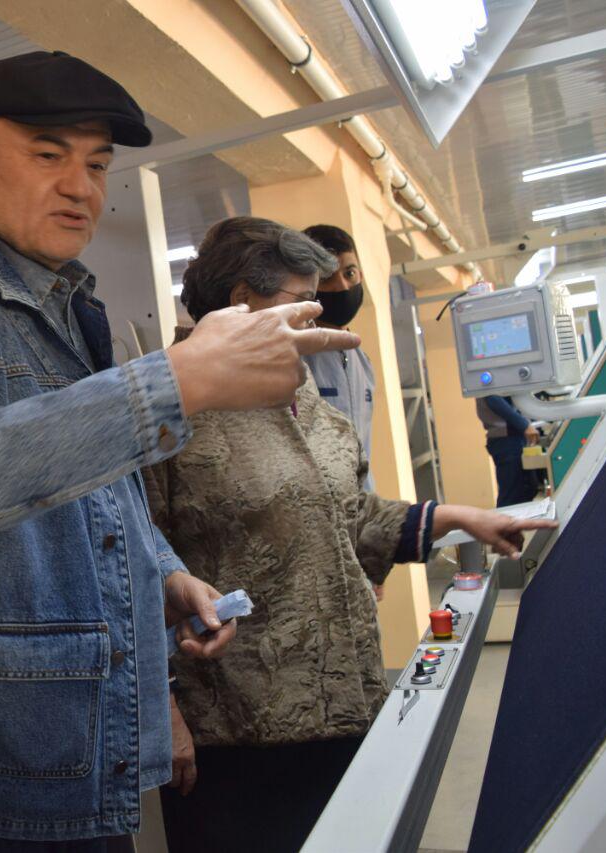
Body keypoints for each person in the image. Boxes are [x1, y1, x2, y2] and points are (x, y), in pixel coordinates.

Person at [0, 52, 360, 851]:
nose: (82, 187)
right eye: (48, 155)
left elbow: (97, 480)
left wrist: (163, 570)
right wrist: (176, 378)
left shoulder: (72, 305)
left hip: (81, 736)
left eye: (98, 164)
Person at [145, 217, 556, 853]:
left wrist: (459, 518)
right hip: (236, 730)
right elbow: (126, 565)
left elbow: (350, 517)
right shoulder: (166, 410)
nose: (319, 314)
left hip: (344, 700)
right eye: (303, 301)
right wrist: (161, 709)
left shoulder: (301, 393)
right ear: (241, 301)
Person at [301, 224, 376, 489]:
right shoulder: (298, 358)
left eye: (349, 273)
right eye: (327, 277)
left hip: (363, 498)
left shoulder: (362, 361)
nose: (342, 285)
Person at [478, 395, 542, 506]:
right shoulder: (490, 389)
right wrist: (525, 425)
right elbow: (493, 399)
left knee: (527, 489)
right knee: (512, 494)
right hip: (506, 439)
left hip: (514, 438)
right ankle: (503, 517)